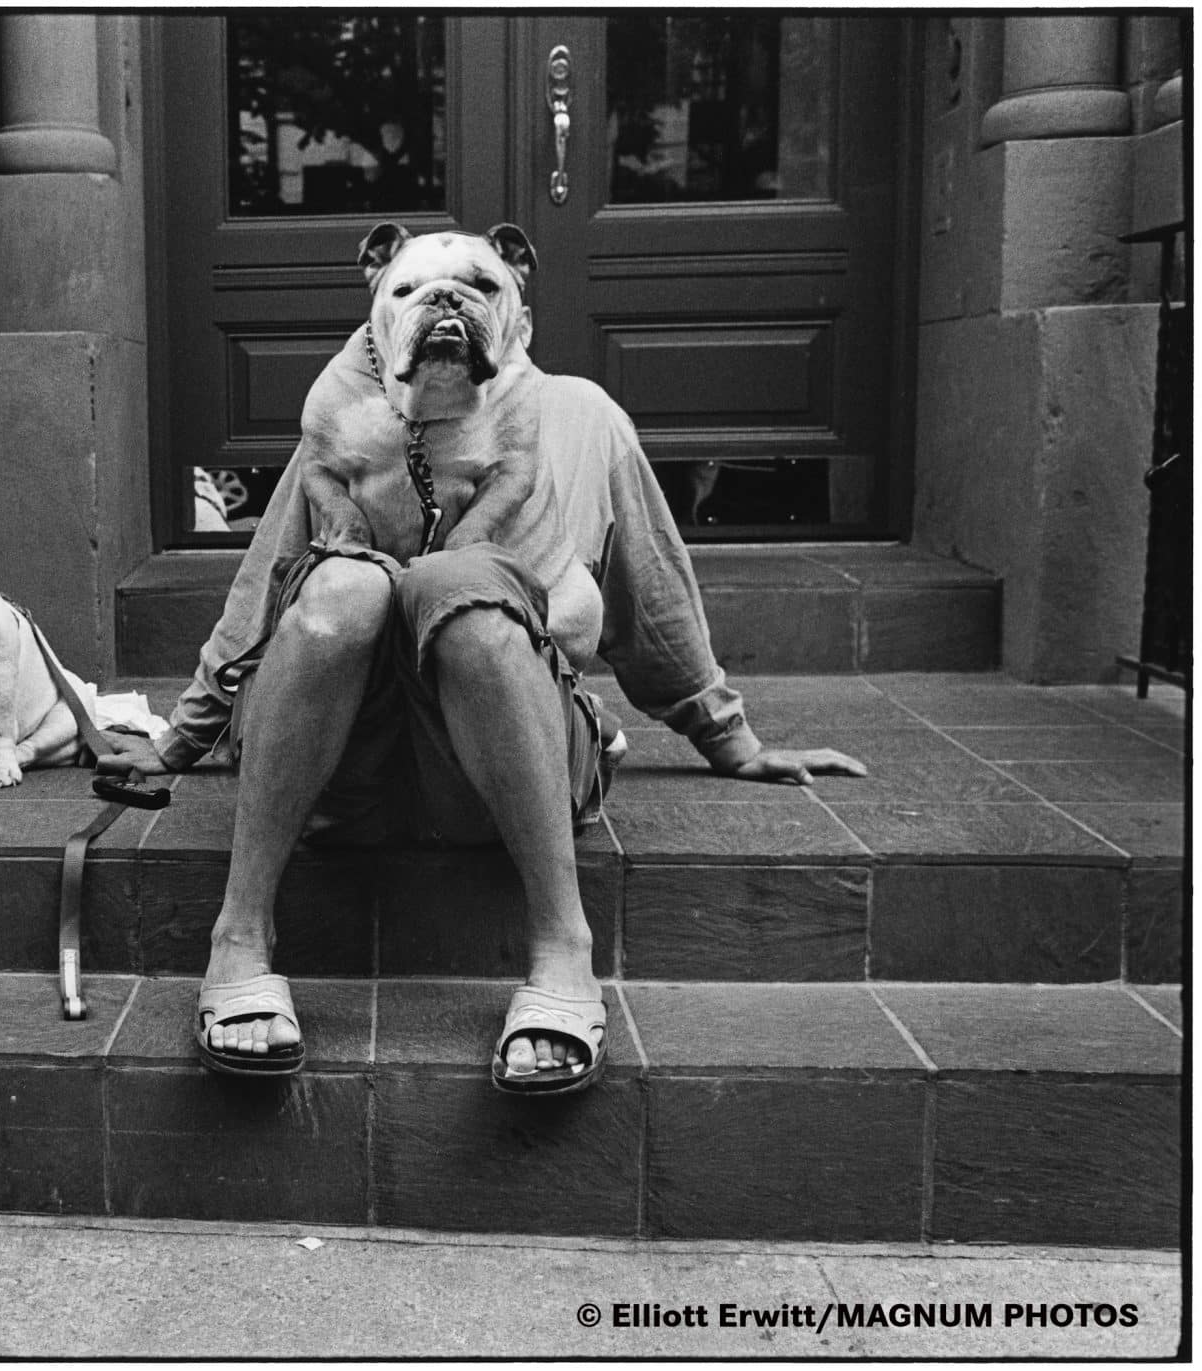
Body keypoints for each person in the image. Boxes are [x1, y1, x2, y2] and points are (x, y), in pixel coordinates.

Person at [101, 223, 864, 1094]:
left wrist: (729, 738)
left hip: (498, 761)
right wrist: (179, 739)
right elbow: (266, 585)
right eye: (416, 292)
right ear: (377, 319)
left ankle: (562, 945)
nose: (447, 308)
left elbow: (649, 590)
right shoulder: (353, 416)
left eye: (479, 288)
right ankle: (238, 930)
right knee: (342, 590)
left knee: (470, 596)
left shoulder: (580, 416)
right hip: (345, 769)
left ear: (521, 316)